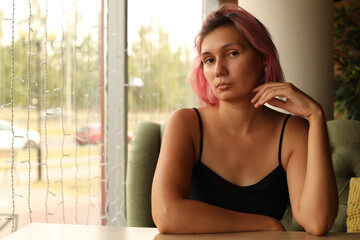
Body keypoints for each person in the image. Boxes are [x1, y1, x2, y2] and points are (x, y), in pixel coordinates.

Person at [151, 4, 338, 235]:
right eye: (209, 60)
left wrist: (316, 116)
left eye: (232, 54)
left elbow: (317, 221)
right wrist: (265, 224)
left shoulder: (292, 132)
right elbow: (166, 214)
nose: (219, 70)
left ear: (263, 58)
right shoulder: (186, 124)